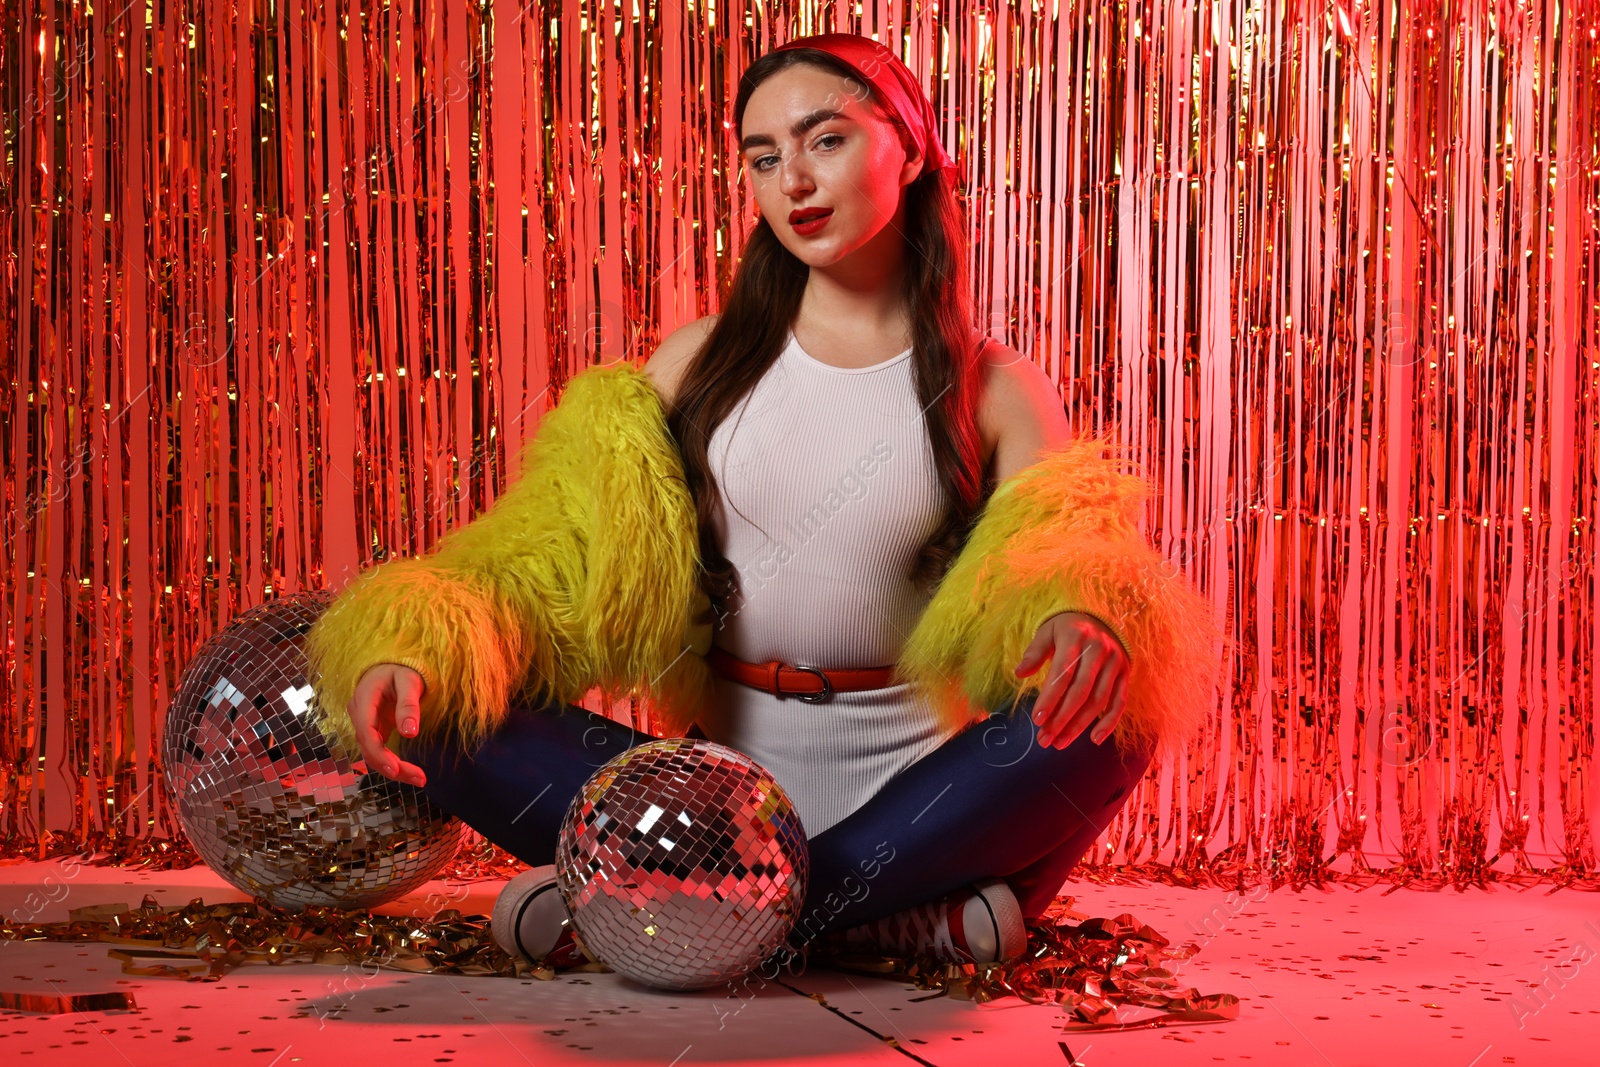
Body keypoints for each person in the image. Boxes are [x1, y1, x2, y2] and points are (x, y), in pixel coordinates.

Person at [304, 32, 1219, 973]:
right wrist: (420, 638)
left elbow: (1061, 551)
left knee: (1113, 718)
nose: (794, 181)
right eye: (763, 156)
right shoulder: (693, 365)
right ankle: (859, 923)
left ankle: (667, 903)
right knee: (448, 707)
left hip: (918, 809)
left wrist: (1079, 614)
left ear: (909, 146)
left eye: (826, 140)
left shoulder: (996, 387)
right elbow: (546, 562)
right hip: (704, 799)